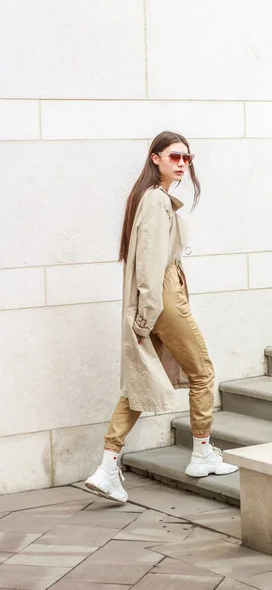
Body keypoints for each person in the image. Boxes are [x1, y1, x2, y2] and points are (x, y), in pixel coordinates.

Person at [85, 131, 238, 503]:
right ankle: (201, 454)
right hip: (162, 297)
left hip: (158, 298)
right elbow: (151, 266)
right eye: (174, 157)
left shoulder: (153, 199)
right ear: (155, 158)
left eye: (187, 158)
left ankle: (107, 467)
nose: (182, 163)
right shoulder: (155, 200)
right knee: (202, 372)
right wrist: (145, 318)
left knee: (139, 381)